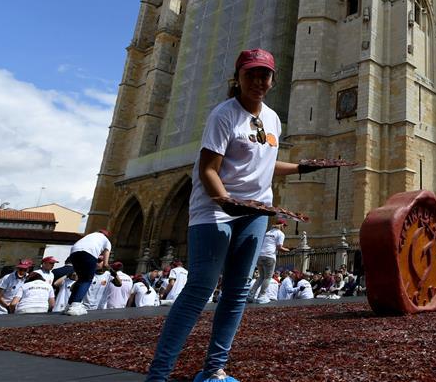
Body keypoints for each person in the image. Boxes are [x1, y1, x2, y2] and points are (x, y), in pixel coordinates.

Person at [145, 48, 327, 382]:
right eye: (251, 74)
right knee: (199, 288)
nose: (259, 81)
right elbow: (207, 169)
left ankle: (214, 369)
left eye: (265, 75)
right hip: (215, 210)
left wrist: (302, 166)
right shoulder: (224, 115)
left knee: (237, 291)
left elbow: (264, 165)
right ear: (238, 78)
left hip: (255, 211)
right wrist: (224, 200)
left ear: (272, 80)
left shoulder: (272, 119)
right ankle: (159, 375)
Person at [64, 229, 114, 316]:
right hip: (89, 254)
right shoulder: (106, 241)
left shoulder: (90, 235)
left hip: (73, 253)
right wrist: (111, 270)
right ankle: (76, 305)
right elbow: (105, 264)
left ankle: (69, 305)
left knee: (80, 279)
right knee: (86, 280)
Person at [248, 219, 289, 303]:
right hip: (269, 256)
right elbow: (279, 247)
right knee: (267, 277)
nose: (285, 227)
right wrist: (288, 250)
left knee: (261, 277)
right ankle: (261, 296)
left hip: (260, 256)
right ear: (281, 225)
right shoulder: (280, 234)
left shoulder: (267, 233)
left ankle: (250, 295)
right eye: (284, 226)